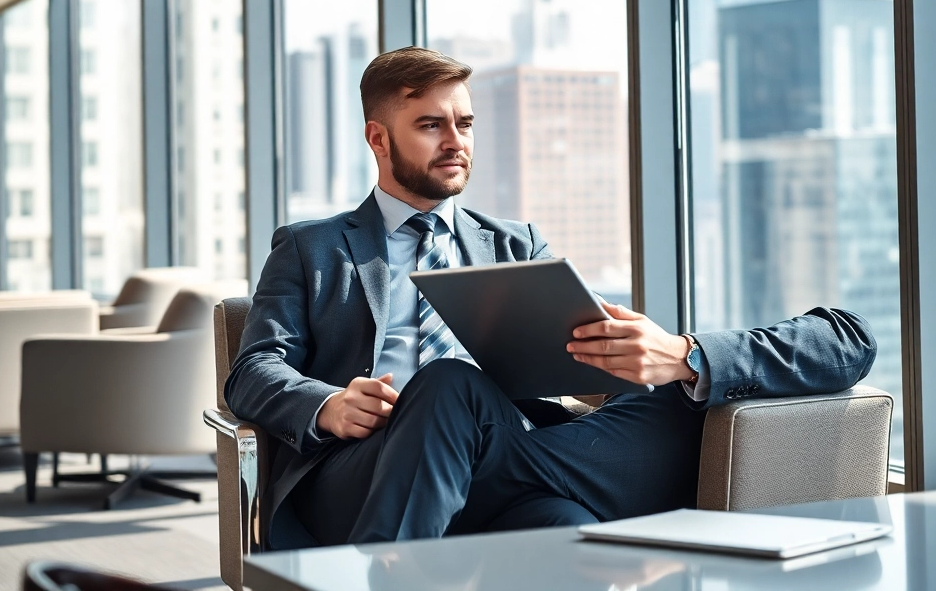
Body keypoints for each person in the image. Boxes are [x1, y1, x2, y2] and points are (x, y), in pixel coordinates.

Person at [224, 46, 878, 549]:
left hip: (508, 461)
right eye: (430, 125)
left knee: (657, 419)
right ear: (379, 139)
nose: (456, 140)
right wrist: (328, 404)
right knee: (450, 386)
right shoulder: (311, 248)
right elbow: (252, 372)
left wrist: (678, 356)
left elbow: (585, 361)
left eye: (465, 122)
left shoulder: (515, 244)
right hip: (361, 467)